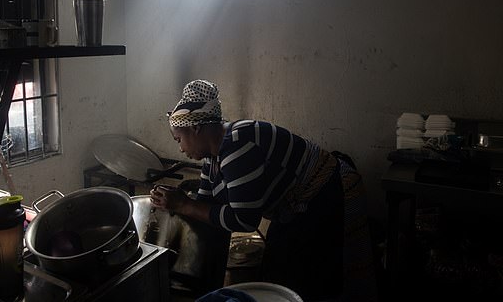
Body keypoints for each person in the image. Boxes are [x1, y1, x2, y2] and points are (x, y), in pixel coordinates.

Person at [150, 80, 377, 302]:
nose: (180, 148)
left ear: (196, 128)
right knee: (276, 272)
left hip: (324, 192)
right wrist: (173, 204)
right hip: (293, 206)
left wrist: (183, 204)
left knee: (310, 281)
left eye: (179, 139)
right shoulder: (213, 157)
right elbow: (205, 205)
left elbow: (244, 220)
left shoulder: (237, 145)